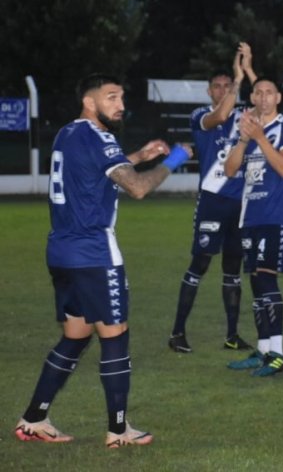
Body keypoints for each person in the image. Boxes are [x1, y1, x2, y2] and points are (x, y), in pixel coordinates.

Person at [14, 74, 192, 447]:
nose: (120, 105)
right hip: (94, 252)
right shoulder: (101, 136)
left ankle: (33, 419)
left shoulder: (67, 133)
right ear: (90, 103)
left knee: (76, 336)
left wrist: (139, 156)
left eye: (122, 97)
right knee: (115, 337)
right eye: (111, 97)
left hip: (61, 251)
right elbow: (138, 188)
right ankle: (118, 430)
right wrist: (175, 158)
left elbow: (95, 173)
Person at [168, 42, 257, 353]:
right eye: (217, 87)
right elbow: (220, 116)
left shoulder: (245, 117)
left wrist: (247, 73)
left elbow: (267, 104)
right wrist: (237, 79)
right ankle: (177, 332)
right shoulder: (201, 116)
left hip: (241, 204)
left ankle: (232, 334)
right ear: (209, 92)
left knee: (233, 270)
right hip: (213, 201)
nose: (222, 90)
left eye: (226, 86)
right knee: (200, 263)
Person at [223, 76, 283, 377]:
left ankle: (278, 354)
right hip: (249, 216)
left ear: (278, 97)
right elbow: (230, 170)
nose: (264, 97)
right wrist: (245, 138)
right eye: (258, 92)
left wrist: (259, 138)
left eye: (270, 92)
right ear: (253, 97)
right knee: (256, 284)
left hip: (274, 216)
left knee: (267, 281)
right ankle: (264, 349)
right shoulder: (246, 128)